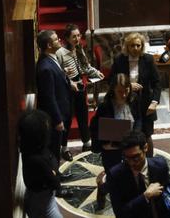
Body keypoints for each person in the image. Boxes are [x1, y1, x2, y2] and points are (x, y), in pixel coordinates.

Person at [90, 74, 140, 210]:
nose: (123, 95)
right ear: (113, 90)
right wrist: (103, 144)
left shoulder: (134, 99)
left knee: (132, 175)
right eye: (120, 91)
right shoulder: (105, 106)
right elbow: (94, 127)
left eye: (126, 90)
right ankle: (103, 189)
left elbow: (139, 119)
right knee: (114, 178)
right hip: (112, 150)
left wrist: (136, 135)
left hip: (130, 147)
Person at [58, 24, 103, 154]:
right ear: (67, 38)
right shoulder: (60, 52)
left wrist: (96, 72)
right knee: (67, 118)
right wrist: (66, 75)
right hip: (68, 89)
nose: (77, 38)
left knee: (83, 115)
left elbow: (85, 67)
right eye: (74, 36)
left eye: (78, 35)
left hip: (80, 86)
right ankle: (64, 147)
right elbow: (57, 72)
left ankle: (86, 142)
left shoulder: (79, 48)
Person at [110, 33, 161, 145]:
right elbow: (112, 81)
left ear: (142, 46)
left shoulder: (148, 59)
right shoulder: (119, 60)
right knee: (124, 136)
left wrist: (154, 102)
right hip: (125, 102)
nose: (135, 48)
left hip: (145, 103)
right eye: (132, 45)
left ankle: (148, 161)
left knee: (147, 136)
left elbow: (156, 83)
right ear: (127, 46)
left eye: (138, 45)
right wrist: (128, 86)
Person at [107, 131, 170, 218]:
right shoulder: (115, 175)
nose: (131, 163)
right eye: (127, 158)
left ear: (145, 148)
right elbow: (120, 213)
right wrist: (145, 196)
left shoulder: (160, 165)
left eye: (135, 157)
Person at [18, 109, 64, 218]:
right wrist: (54, 173)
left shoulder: (31, 149)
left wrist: (53, 172)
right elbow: (55, 182)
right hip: (42, 202)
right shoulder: (37, 159)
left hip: (43, 198)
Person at [36, 30, 74, 161]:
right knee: (54, 151)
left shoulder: (51, 59)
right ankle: (55, 176)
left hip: (62, 110)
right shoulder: (45, 67)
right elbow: (49, 97)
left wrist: (63, 74)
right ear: (49, 45)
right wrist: (57, 120)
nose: (60, 40)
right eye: (56, 39)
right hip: (55, 117)